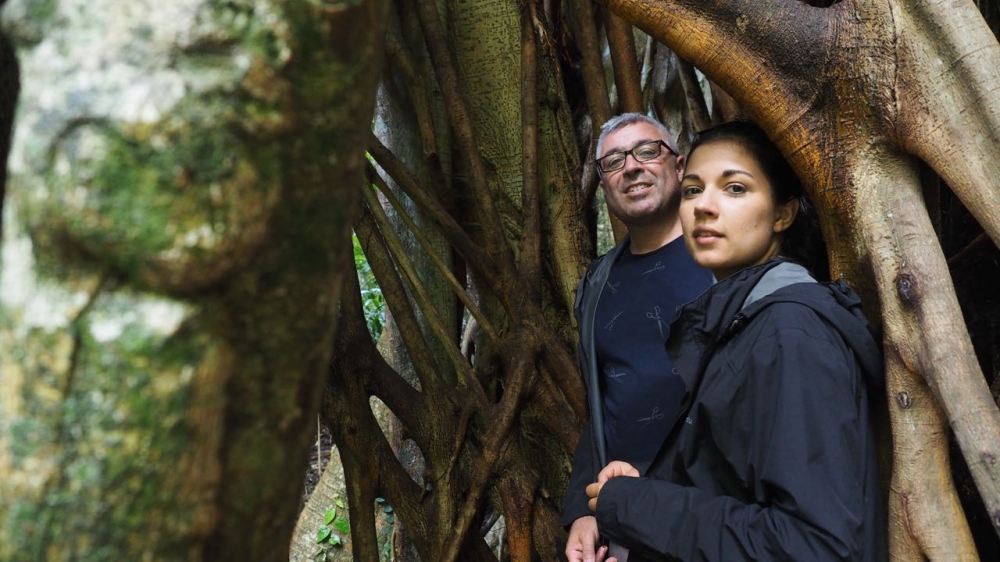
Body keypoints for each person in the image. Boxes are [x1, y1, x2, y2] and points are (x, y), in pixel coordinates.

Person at [583, 121, 886, 561]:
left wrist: (636, 506)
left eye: (735, 188)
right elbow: (732, 490)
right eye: (693, 190)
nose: (704, 207)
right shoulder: (739, 323)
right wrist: (640, 496)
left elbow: (814, 546)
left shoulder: (790, 332)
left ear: (783, 213)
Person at [563, 113, 714, 562]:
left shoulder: (723, 257)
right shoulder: (597, 283)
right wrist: (584, 509)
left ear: (679, 166)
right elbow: (603, 409)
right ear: (603, 184)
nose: (631, 167)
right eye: (614, 161)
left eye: (647, 152)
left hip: (717, 513)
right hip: (626, 522)